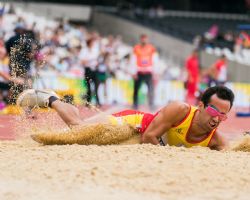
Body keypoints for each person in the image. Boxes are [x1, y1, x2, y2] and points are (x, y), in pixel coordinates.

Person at [17, 85, 234, 150]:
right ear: (201, 106)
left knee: (81, 129)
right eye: (214, 112)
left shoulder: (216, 141)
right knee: (79, 129)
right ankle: (51, 98)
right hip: (135, 124)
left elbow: (232, 152)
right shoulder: (181, 110)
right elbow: (149, 137)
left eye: (223, 117)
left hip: (144, 140)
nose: (217, 119)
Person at [131, 34, 157, 110]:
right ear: (140, 39)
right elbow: (133, 60)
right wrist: (133, 72)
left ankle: (151, 104)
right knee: (136, 89)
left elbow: (155, 60)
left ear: (147, 39)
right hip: (139, 72)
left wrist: (155, 72)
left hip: (148, 72)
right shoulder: (136, 48)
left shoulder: (151, 48)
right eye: (142, 39)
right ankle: (135, 105)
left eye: (145, 39)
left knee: (150, 89)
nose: (144, 40)